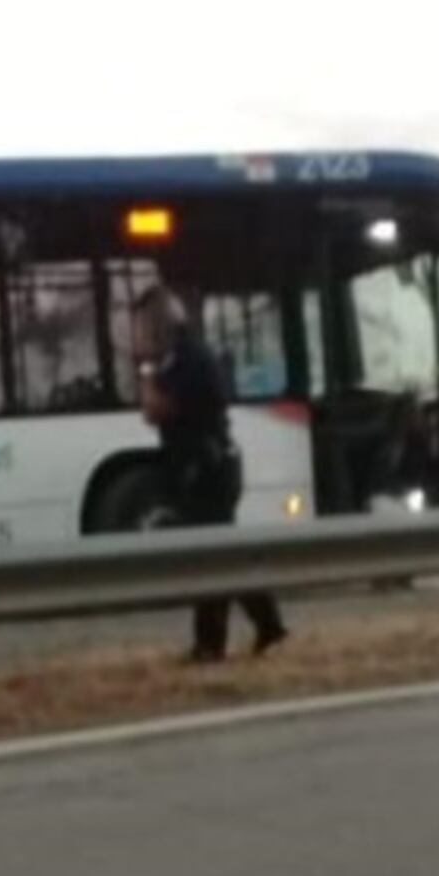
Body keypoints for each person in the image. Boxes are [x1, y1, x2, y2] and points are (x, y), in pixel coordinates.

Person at [132, 284, 288, 663]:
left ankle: (214, 644)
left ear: (158, 324)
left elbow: (156, 410)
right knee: (221, 554)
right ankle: (264, 626)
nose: (139, 335)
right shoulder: (185, 354)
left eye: (142, 326)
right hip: (209, 466)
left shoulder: (185, 358)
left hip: (208, 469)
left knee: (211, 556)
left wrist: (146, 372)